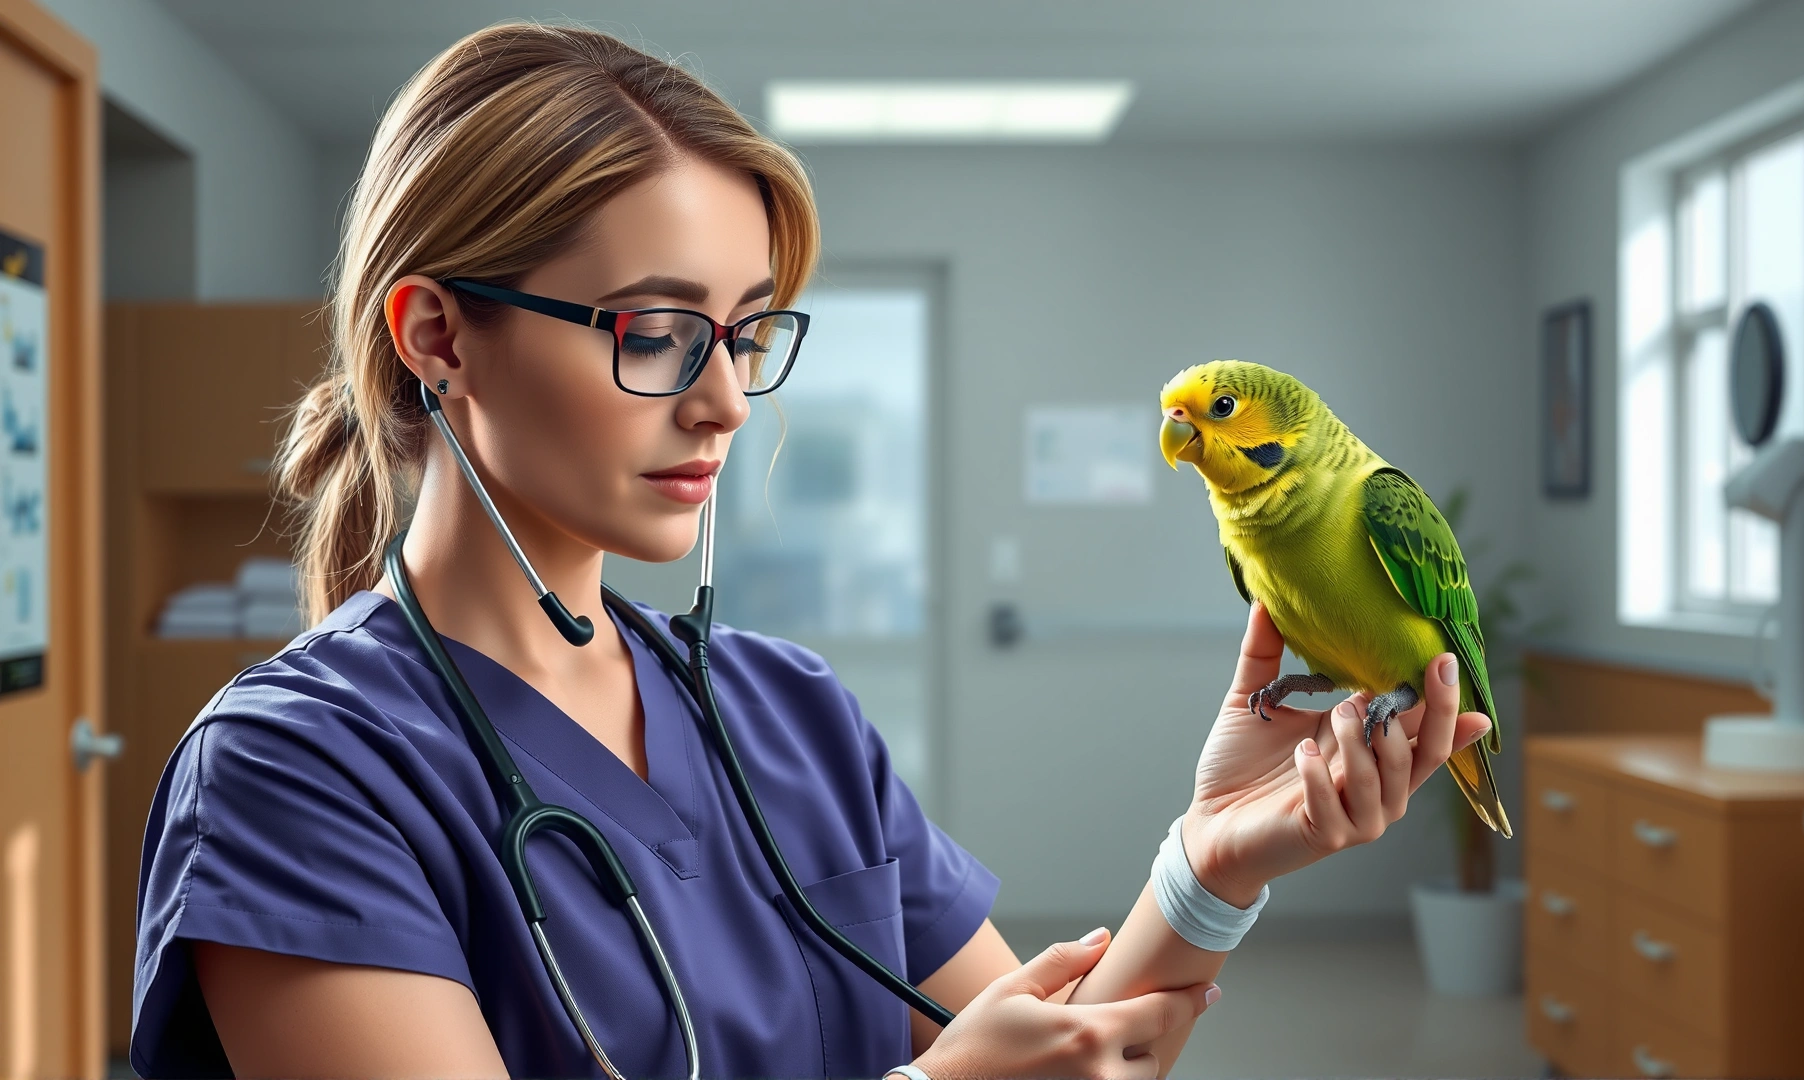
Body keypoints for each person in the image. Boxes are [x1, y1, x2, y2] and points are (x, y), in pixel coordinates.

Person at [129, 23, 1493, 1080]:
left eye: (747, 334)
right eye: (656, 330)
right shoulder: (292, 778)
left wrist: (1215, 858)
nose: (723, 398)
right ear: (437, 337)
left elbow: (1066, 1050)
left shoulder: (784, 712)